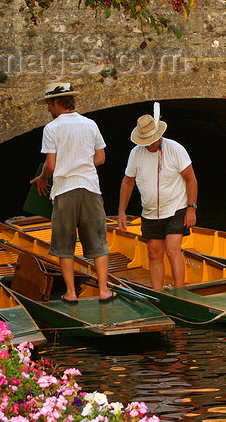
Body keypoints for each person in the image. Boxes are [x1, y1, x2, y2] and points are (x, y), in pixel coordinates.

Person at [30, 82, 115, 303]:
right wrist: (81, 163)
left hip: (64, 190)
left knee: (64, 244)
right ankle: (104, 290)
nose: (48, 108)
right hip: (90, 188)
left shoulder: (52, 128)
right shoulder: (90, 124)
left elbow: (50, 165)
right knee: (98, 241)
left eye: (49, 104)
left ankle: (71, 293)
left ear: (57, 102)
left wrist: (42, 178)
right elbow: (101, 158)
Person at [117, 107, 198, 291]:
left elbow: (191, 179)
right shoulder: (135, 153)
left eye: (151, 141)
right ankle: (158, 292)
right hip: (150, 211)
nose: (149, 145)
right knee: (154, 252)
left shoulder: (175, 149)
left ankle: (179, 291)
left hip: (176, 207)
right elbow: (127, 182)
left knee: (172, 248)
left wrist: (191, 208)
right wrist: (121, 211)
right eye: (145, 142)